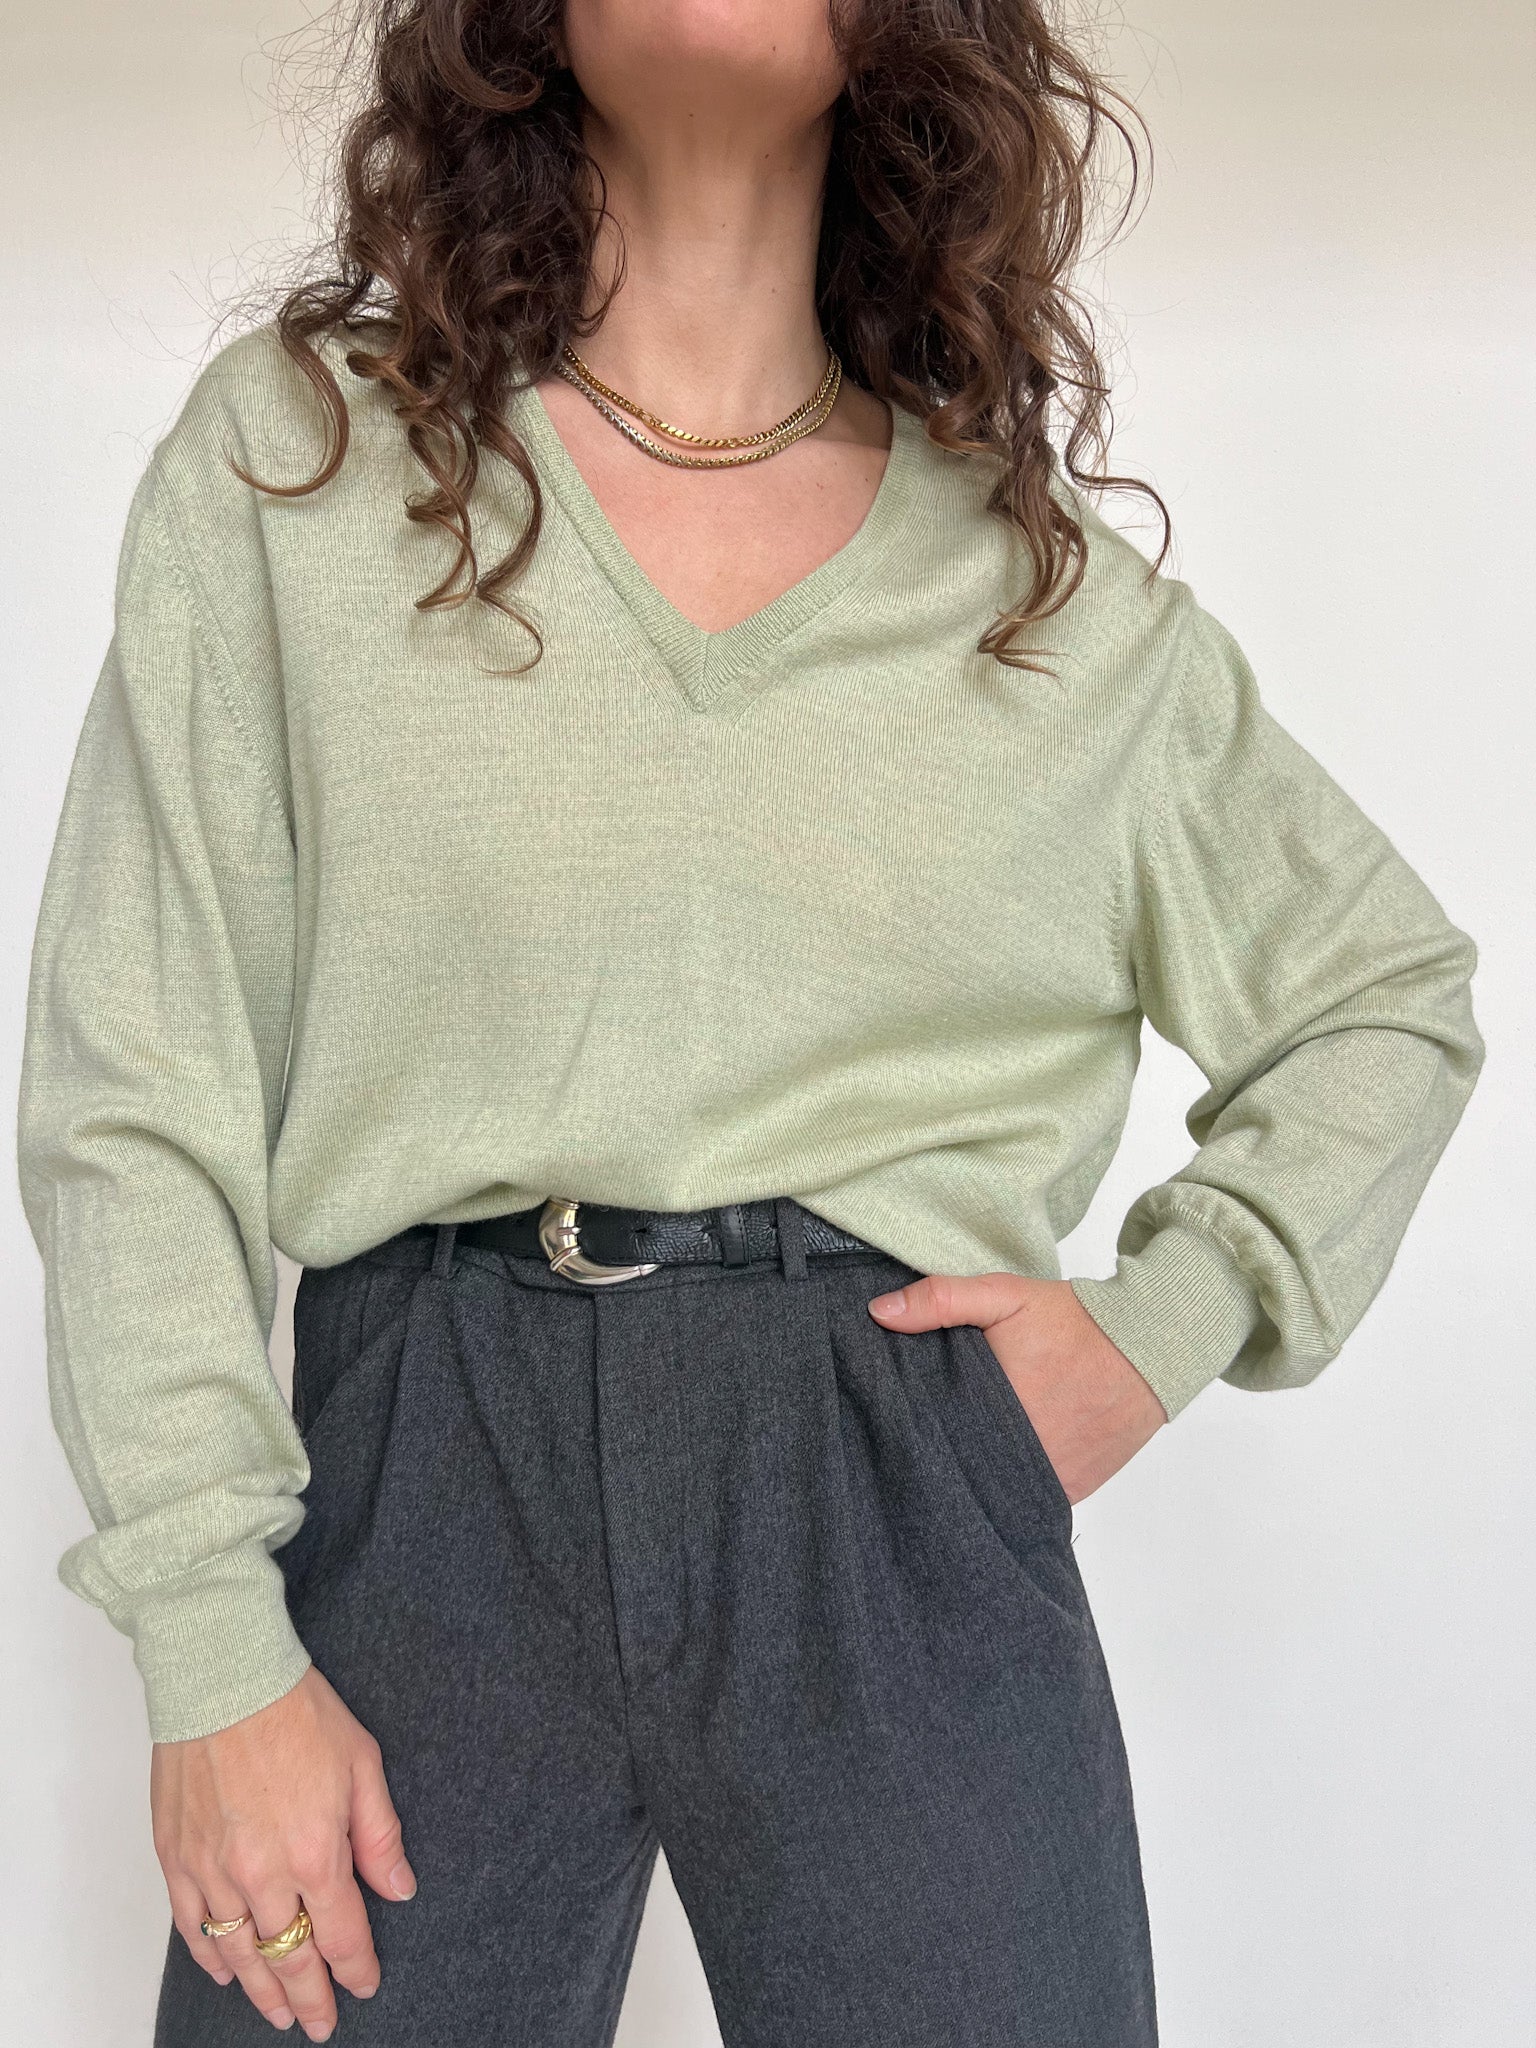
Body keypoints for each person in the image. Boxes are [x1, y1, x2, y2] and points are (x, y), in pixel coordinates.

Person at [16, 3, 1484, 2044]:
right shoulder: (305, 462)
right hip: (422, 1473)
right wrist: (205, 1645)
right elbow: (137, 1078)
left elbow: (1384, 996)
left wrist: (1155, 1330)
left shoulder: (1040, 605)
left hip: (891, 1479)